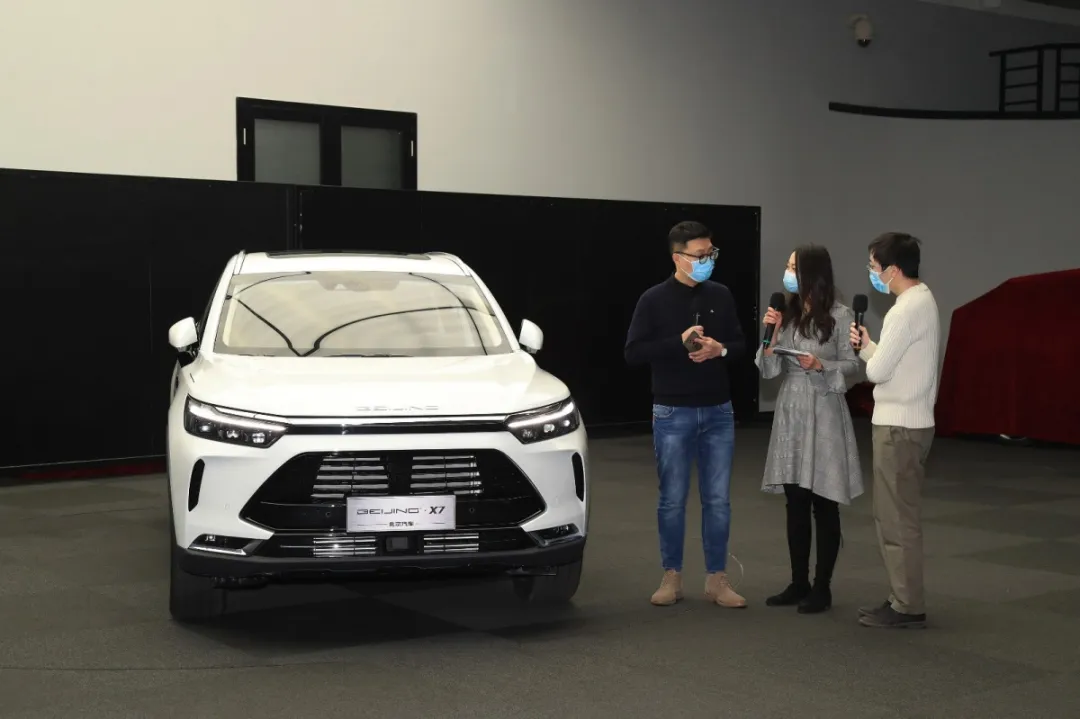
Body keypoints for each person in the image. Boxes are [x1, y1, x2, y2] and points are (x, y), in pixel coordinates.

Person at [624, 220, 747, 609]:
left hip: (718, 411)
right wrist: (676, 343)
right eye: (700, 255)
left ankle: (717, 578)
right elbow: (633, 353)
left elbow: (740, 344)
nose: (708, 259)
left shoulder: (721, 295)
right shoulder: (653, 299)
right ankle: (672, 575)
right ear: (678, 258)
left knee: (718, 500)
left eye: (711, 253)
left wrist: (718, 349)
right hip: (672, 410)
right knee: (672, 500)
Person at [756, 245, 863, 614]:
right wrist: (770, 336)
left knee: (824, 501)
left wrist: (821, 365)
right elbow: (768, 369)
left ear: (812, 273)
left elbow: (853, 365)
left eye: (793, 266)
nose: (787, 273)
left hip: (824, 406)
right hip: (791, 408)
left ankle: (822, 586)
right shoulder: (785, 313)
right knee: (796, 501)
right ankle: (798, 581)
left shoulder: (840, 314)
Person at [849, 232, 940, 630]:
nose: (871, 273)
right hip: (911, 422)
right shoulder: (923, 299)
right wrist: (870, 346)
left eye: (874, 266)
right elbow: (891, 364)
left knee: (896, 518)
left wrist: (869, 354)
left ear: (893, 269)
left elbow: (877, 372)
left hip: (898, 426)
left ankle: (907, 604)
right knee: (897, 514)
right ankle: (902, 596)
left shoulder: (905, 309)